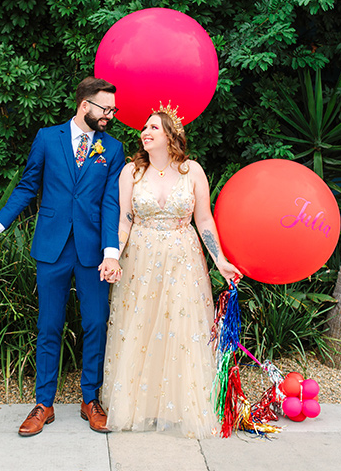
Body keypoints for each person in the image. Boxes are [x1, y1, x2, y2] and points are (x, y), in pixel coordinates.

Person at [0, 77, 124, 437]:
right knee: (49, 326)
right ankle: (44, 403)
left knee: (95, 324)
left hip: (93, 252)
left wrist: (111, 252)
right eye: (106, 109)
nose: (110, 117)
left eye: (113, 111)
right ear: (84, 105)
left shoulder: (112, 149)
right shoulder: (47, 138)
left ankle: (91, 400)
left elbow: (111, 203)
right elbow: (27, 186)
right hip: (52, 248)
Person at [100, 105, 243, 438]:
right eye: (144, 128)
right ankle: (141, 406)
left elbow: (204, 219)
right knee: (141, 325)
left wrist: (220, 260)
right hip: (140, 257)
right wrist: (114, 257)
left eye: (153, 127)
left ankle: (183, 406)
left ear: (170, 136)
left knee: (181, 326)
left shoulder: (192, 171)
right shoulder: (130, 172)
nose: (145, 132)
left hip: (183, 256)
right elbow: (125, 219)